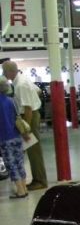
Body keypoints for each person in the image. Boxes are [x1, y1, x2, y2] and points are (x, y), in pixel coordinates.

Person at [1, 60, 47, 190]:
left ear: (10, 72)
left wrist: (26, 129)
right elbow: (37, 91)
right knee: (32, 149)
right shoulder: (22, 79)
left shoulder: (21, 85)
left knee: (33, 151)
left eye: (4, 72)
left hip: (29, 117)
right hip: (32, 114)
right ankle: (38, 179)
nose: (4, 74)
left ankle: (40, 181)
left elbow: (28, 108)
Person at [0, 78, 28, 198]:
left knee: (11, 164)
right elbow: (17, 116)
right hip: (16, 135)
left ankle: (20, 190)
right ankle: (24, 188)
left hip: (4, 137)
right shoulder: (11, 101)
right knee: (20, 162)